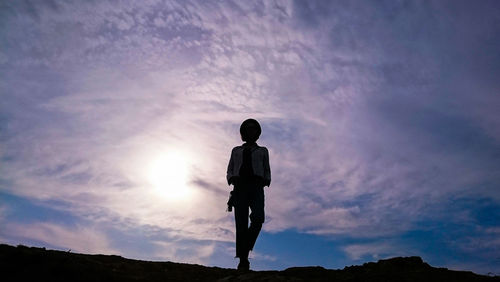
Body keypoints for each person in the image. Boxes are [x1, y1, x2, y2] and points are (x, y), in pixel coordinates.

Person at [226, 118, 271, 271]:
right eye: (247, 128)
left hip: (257, 186)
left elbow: (266, 169)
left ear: (257, 132)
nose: (250, 130)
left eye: (253, 128)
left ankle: (244, 249)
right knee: (241, 224)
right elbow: (230, 168)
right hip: (239, 187)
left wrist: (265, 180)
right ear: (243, 132)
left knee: (258, 219)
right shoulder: (236, 150)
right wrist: (231, 178)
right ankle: (243, 260)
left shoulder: (262, 150)